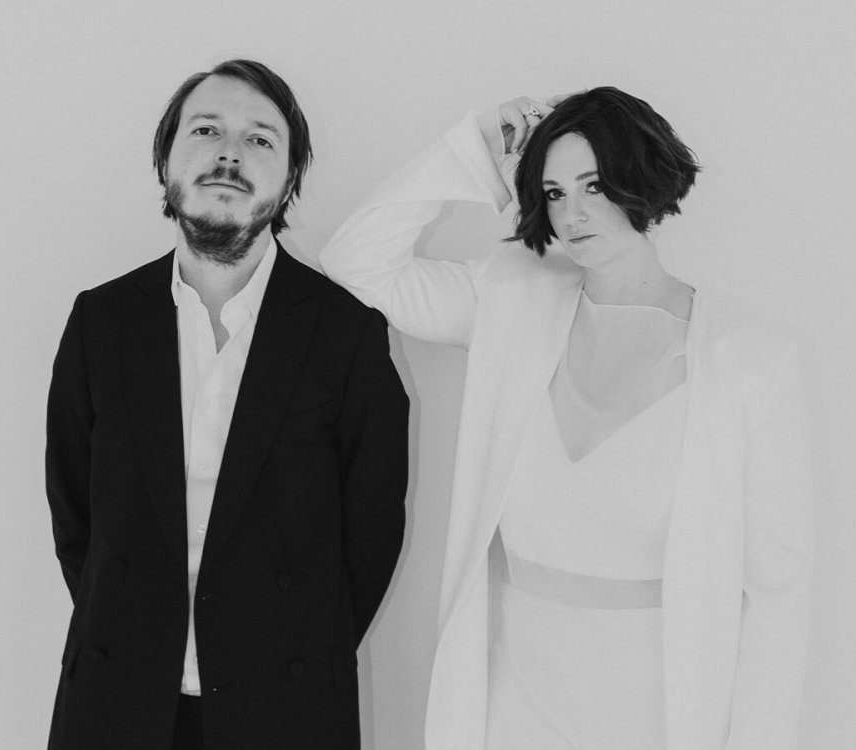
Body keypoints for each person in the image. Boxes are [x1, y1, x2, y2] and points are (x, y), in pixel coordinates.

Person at [319, 87, 813, 749]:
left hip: (661, 711)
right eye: (553, 192)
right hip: (512, 706)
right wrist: (476, 147)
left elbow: (778, 593)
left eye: (594, 185)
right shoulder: (509, 304)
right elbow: (356, 262)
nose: (572, 213)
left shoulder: (750, 361)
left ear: (642, 176)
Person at [45, 59, 409, 750]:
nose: (229, 154)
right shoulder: (101, 322)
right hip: (115, 702)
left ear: (291, 178)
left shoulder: (346, 334)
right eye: (206, 130)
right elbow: (75, 517)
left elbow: (371, 534)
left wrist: (291, 652)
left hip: (288, 710)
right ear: (166, 160)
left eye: (260, 138)